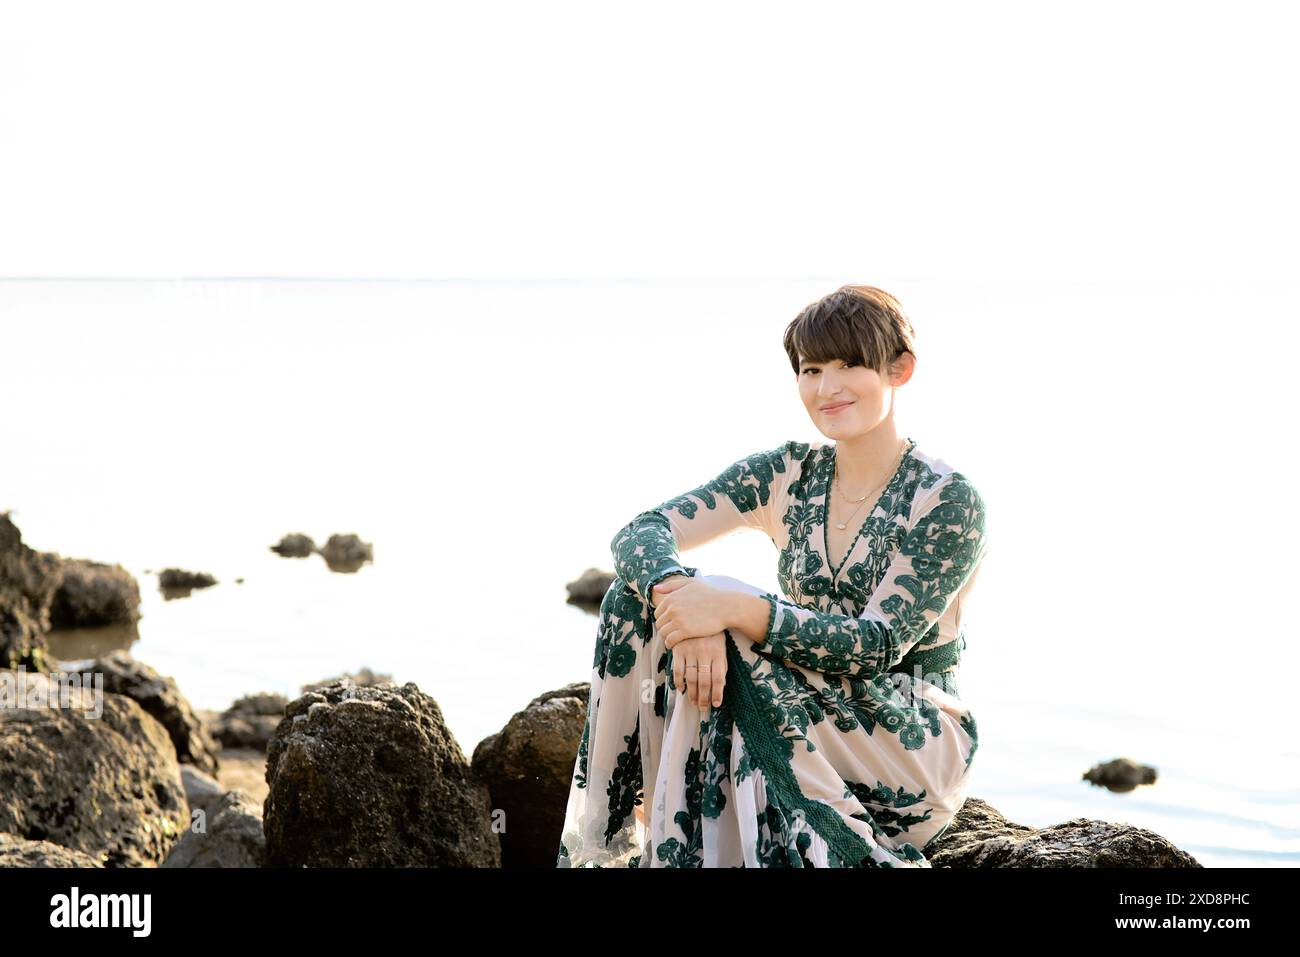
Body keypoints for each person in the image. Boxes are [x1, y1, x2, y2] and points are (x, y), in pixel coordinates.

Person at [555, 284, 989, 868]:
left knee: (734, 644)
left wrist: (732, 607)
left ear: (899, 370)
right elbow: (642, 530)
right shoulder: (789, 473)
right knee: (633, 605)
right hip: (800, 706)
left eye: (849, 364)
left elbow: (875, 646)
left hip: (909, 731)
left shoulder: (947, 499)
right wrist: (685, 607)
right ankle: (613, 850)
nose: (827, 387)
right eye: (811, 370)